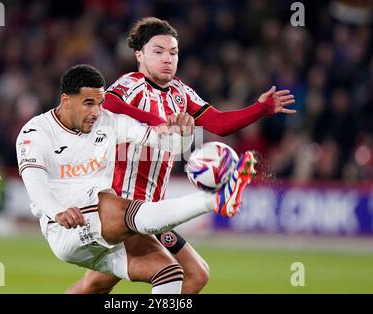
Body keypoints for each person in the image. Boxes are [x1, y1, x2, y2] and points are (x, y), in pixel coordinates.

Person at [68, 17, 296, 294]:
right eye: (158, 51)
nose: (168, 58)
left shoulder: (180, 92)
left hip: (152, 211)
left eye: (173, 52)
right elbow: (110, 103)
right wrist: (157, 122)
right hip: (120, 206)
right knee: (176, 274)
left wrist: (259, 109)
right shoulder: (131, 84)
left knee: (102, 285)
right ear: (139, 55)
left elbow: (220, 124)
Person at [16, 64, 256, 294]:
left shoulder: (107, 121)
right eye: (88, 103)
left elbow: (167, 143)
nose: (96, 112)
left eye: (99, 103)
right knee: (116, 205)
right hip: (66, 226)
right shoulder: (35, 132)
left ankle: (213, 200)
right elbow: (34, 182)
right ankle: (213, 201)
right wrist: (57, 211)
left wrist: (183, 135)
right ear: (65, 100)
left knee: (170, 273)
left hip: (108, 224)